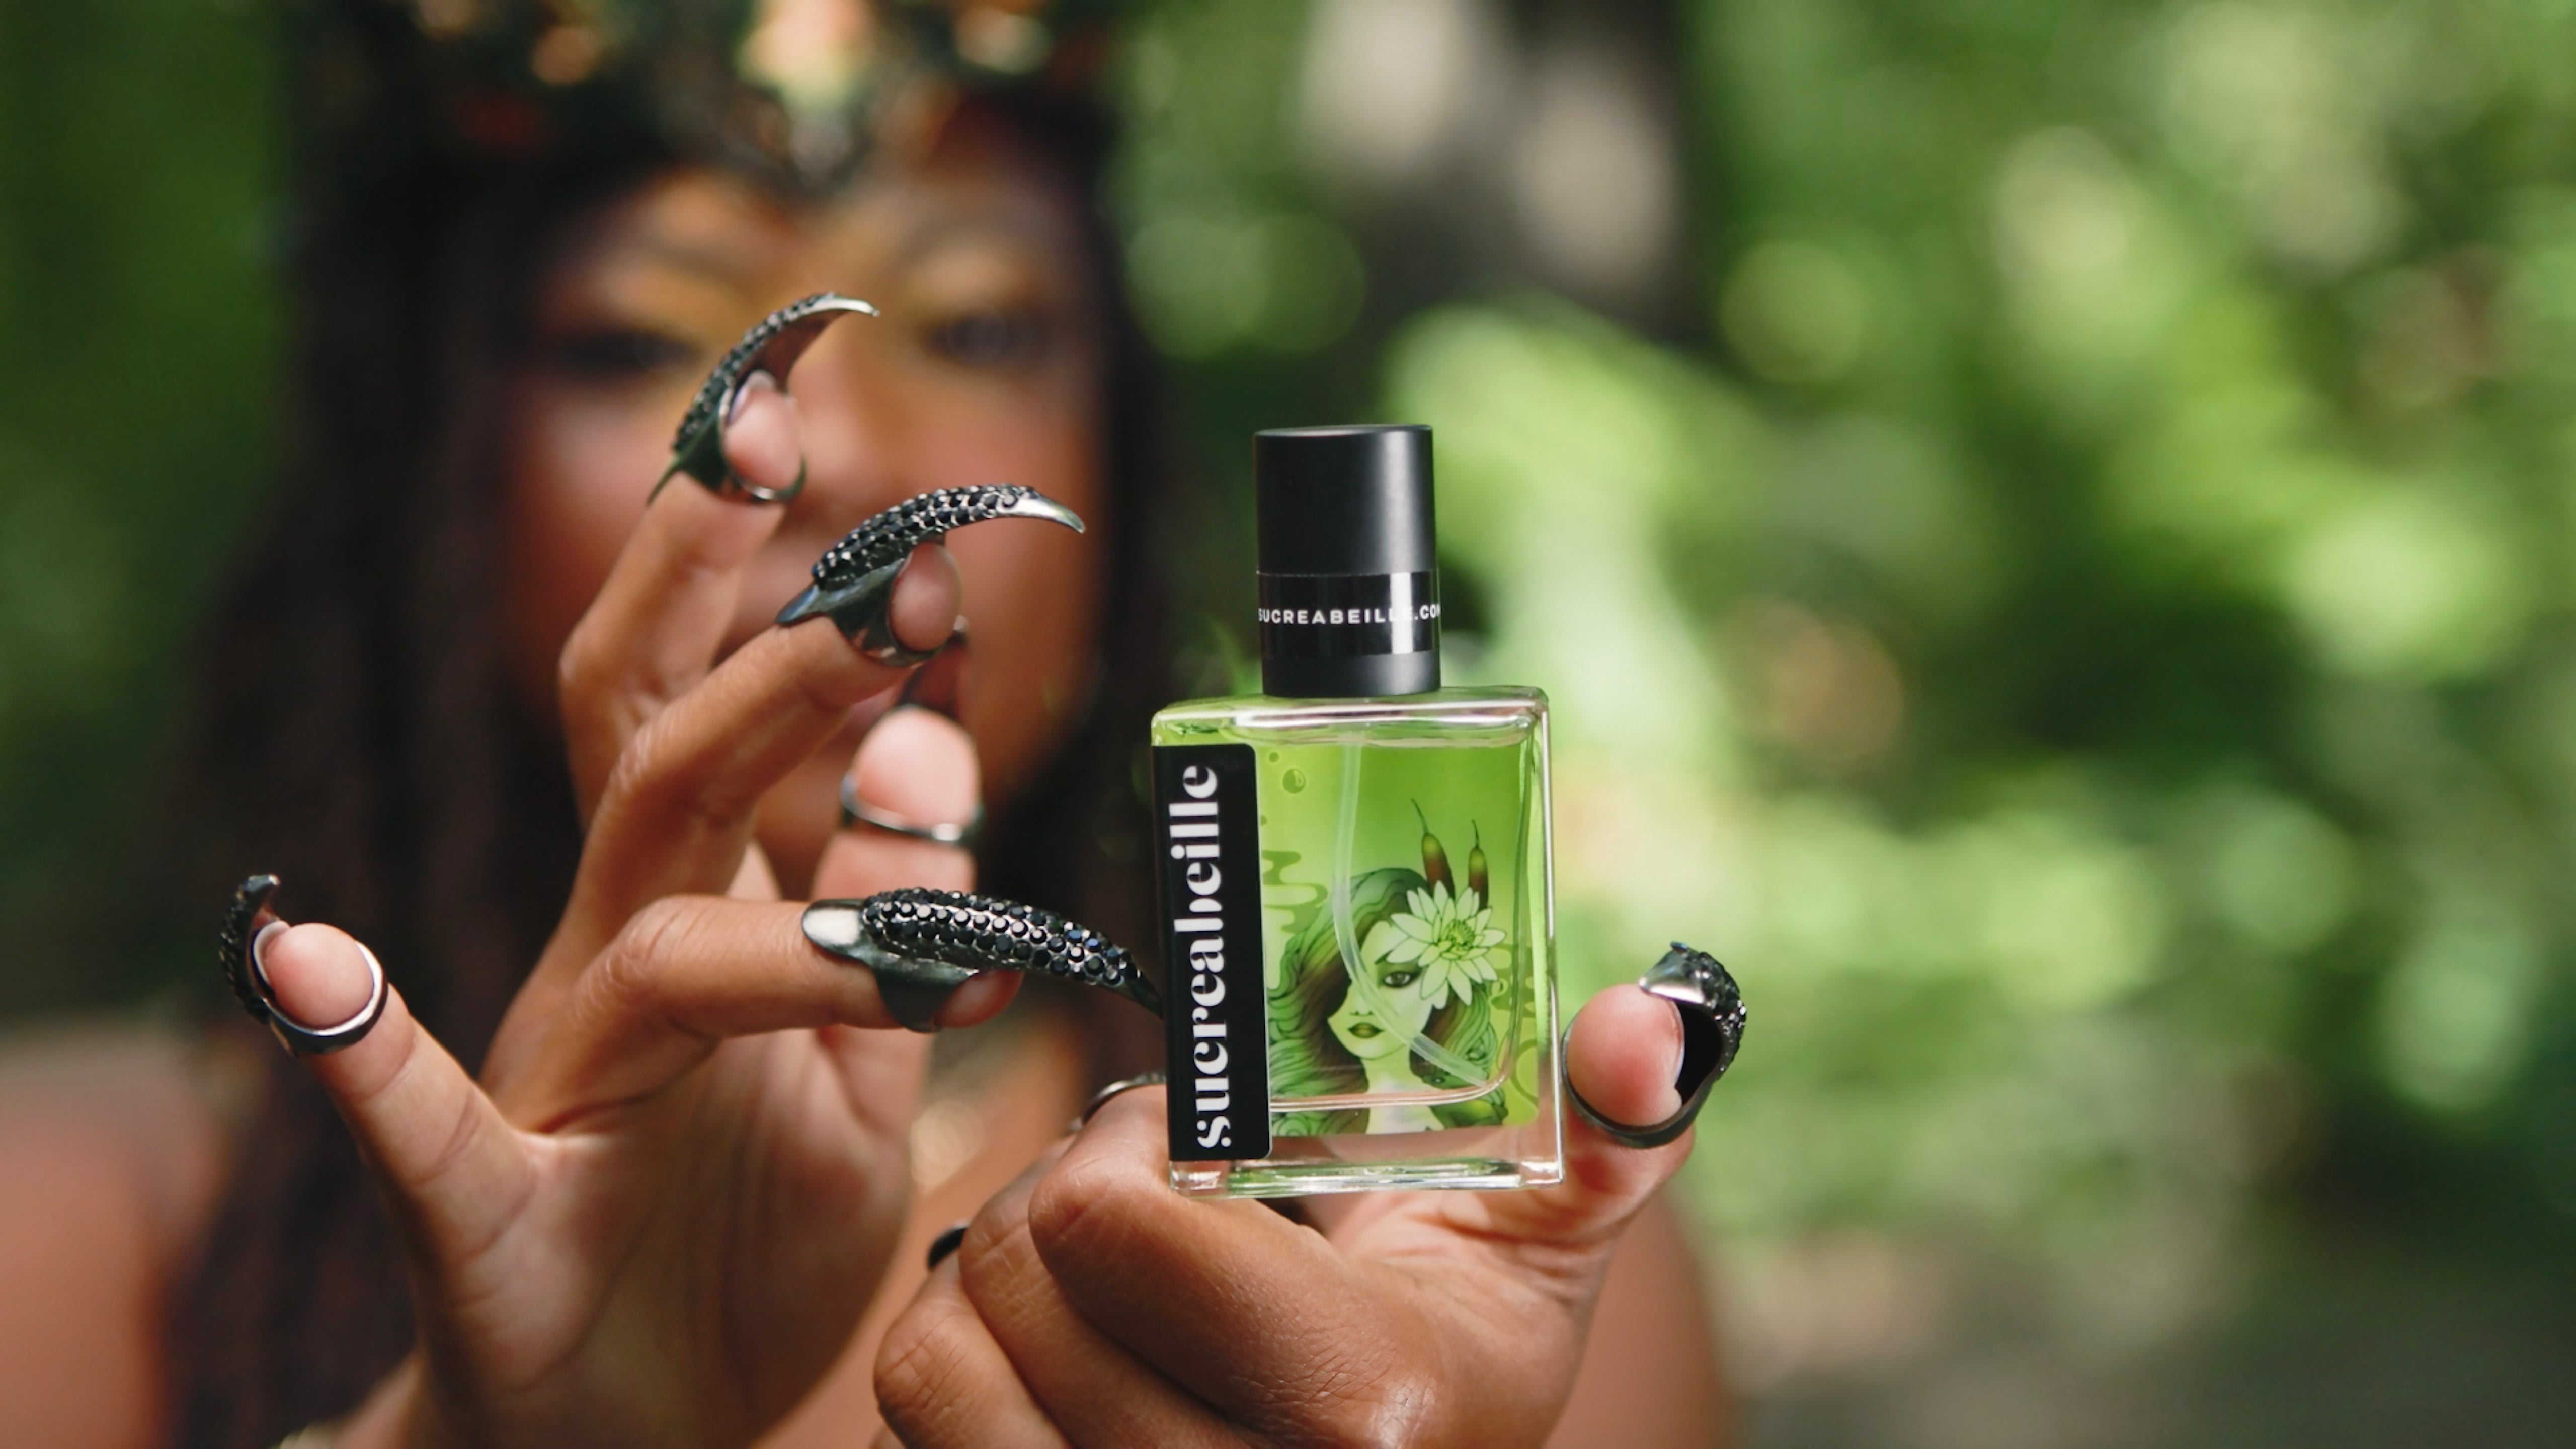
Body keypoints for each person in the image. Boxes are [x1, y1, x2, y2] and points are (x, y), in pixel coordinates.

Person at [0, 3, 1731, 1444]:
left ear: (1121, 448)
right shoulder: (65, 1212)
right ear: (430, 454)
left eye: (976, 324)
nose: (849, 455)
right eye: (643, 343)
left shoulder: (1474, 1240)